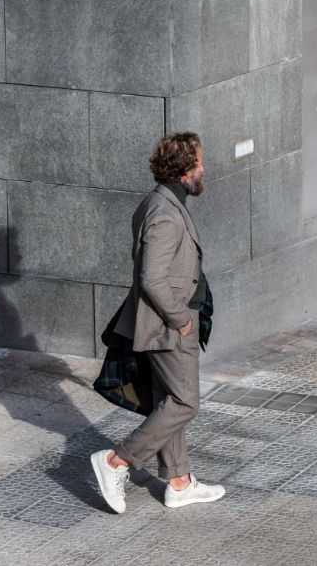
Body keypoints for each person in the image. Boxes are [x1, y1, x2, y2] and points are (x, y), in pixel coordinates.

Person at [90, 132, 225, 513]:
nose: (203, 168)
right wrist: (182, 320)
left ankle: (179, 483)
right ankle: (116, 461)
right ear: (184, 170)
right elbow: (152, 277)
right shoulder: (164, 213)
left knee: (169, 400)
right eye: (198, 162)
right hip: (169, 326)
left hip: (169, 323)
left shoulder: (160, 202)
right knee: (185, 402)